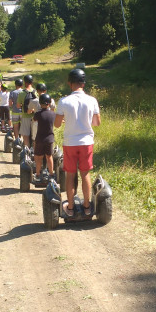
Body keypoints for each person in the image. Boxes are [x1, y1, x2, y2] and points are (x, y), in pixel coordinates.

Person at [54, 68, 100, 217]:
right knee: (85, 174)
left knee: (70, 175)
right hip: (86, 142)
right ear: (83, 84)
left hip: (70, 143)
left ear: (70, 83)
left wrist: (66, 119)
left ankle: (71, 207)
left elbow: (57, 124)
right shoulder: (92, 100)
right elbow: (97, 122)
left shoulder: (63, 101)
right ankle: (86, 207)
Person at [32, 93, 56, 182]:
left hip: (39, 139)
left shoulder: (38, 114)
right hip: (49, 139)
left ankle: (38, 174)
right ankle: (51, 174)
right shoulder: (53, 114)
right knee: (49, 157)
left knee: (39, 157)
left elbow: (34, 119)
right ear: (49, 103)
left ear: (40, 103)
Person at [16, 74, 37, 148]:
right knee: (35, 137)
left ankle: (27, 151)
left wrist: (24, 106)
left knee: (26, 136)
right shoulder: (36, 92)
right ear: (32, 82)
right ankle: (35, 151)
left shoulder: (21, 93)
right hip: (35, 117)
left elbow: (18, 106)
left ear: (25, 82)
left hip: (25, 117)